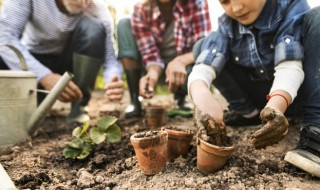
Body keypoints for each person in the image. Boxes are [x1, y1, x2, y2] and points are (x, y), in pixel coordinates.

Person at [189, 0, 320, 177]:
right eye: (225, 2)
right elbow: (203, 69)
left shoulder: (290, 6)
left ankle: (315, 129)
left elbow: (289, 67)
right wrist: (201, 94)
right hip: (263, 101)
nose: (235, 8)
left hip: (298, 94)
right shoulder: (227, 25)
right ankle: (248, 114)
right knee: (202, 47)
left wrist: (276, 106)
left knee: (318, 17)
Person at [0, 0, 124, 123]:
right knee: (25, 116)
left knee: (93, 28)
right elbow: (5, 37)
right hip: (34, 60)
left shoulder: (98, 9)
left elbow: (110, 59)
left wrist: (113, 78)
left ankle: (79, 107)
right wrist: (44, 76)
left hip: (70, 64)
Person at [117, 0, 211, 118]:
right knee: (124, 24)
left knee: (203, 62)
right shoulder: (141, 9)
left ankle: (180, 98)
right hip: (156, 70)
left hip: (185, 70)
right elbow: (149, 53)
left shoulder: (197, 3)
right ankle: (135, 99)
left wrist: (180, 61)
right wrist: (153, 72)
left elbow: (204, 47)